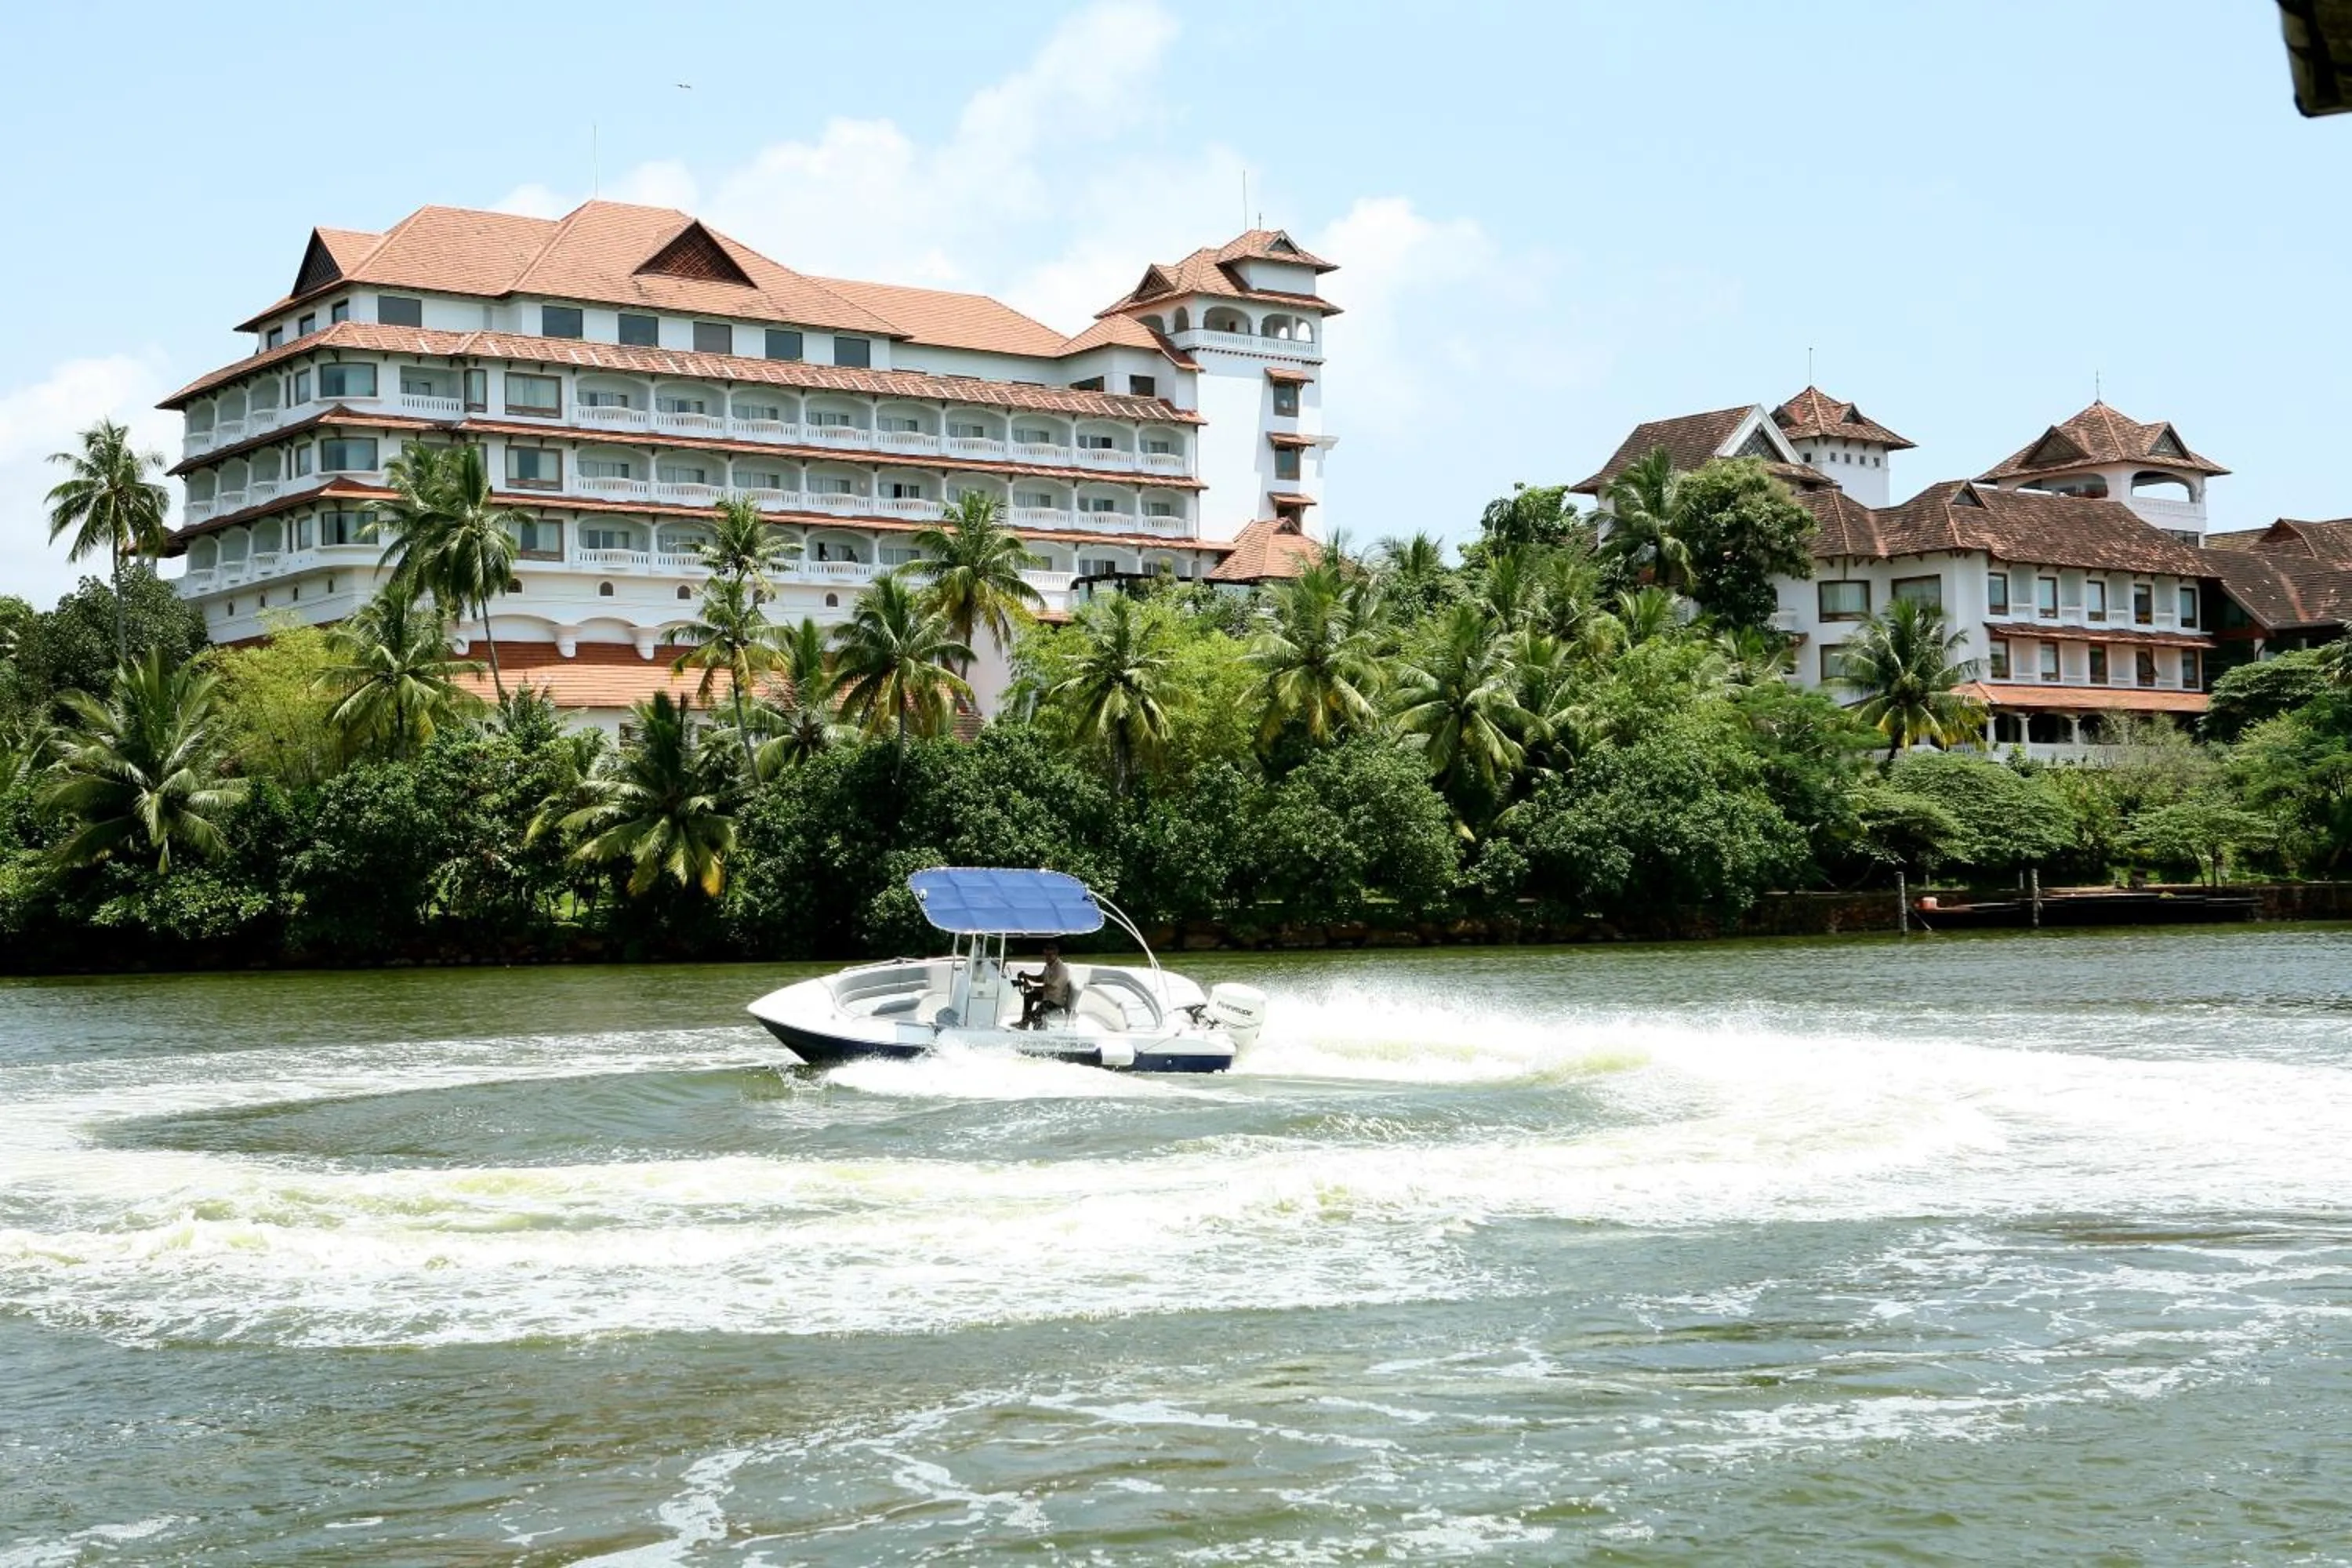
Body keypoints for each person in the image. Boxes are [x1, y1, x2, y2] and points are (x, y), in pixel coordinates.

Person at [1015, 943, 1073, 1030]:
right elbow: (1040, 979)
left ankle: (1038, 1029)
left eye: (1050, 955)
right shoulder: (1048, 966)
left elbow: (1051, 988)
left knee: (1035, 1015)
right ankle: (1025, 1024)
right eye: (1045, 954)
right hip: (1048, 996)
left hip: (1056, 1001)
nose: (1047, 957)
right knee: (1028, 997)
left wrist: (1032, 988)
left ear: (1056, 955)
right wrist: (1026, 976)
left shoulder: (1060, 969)